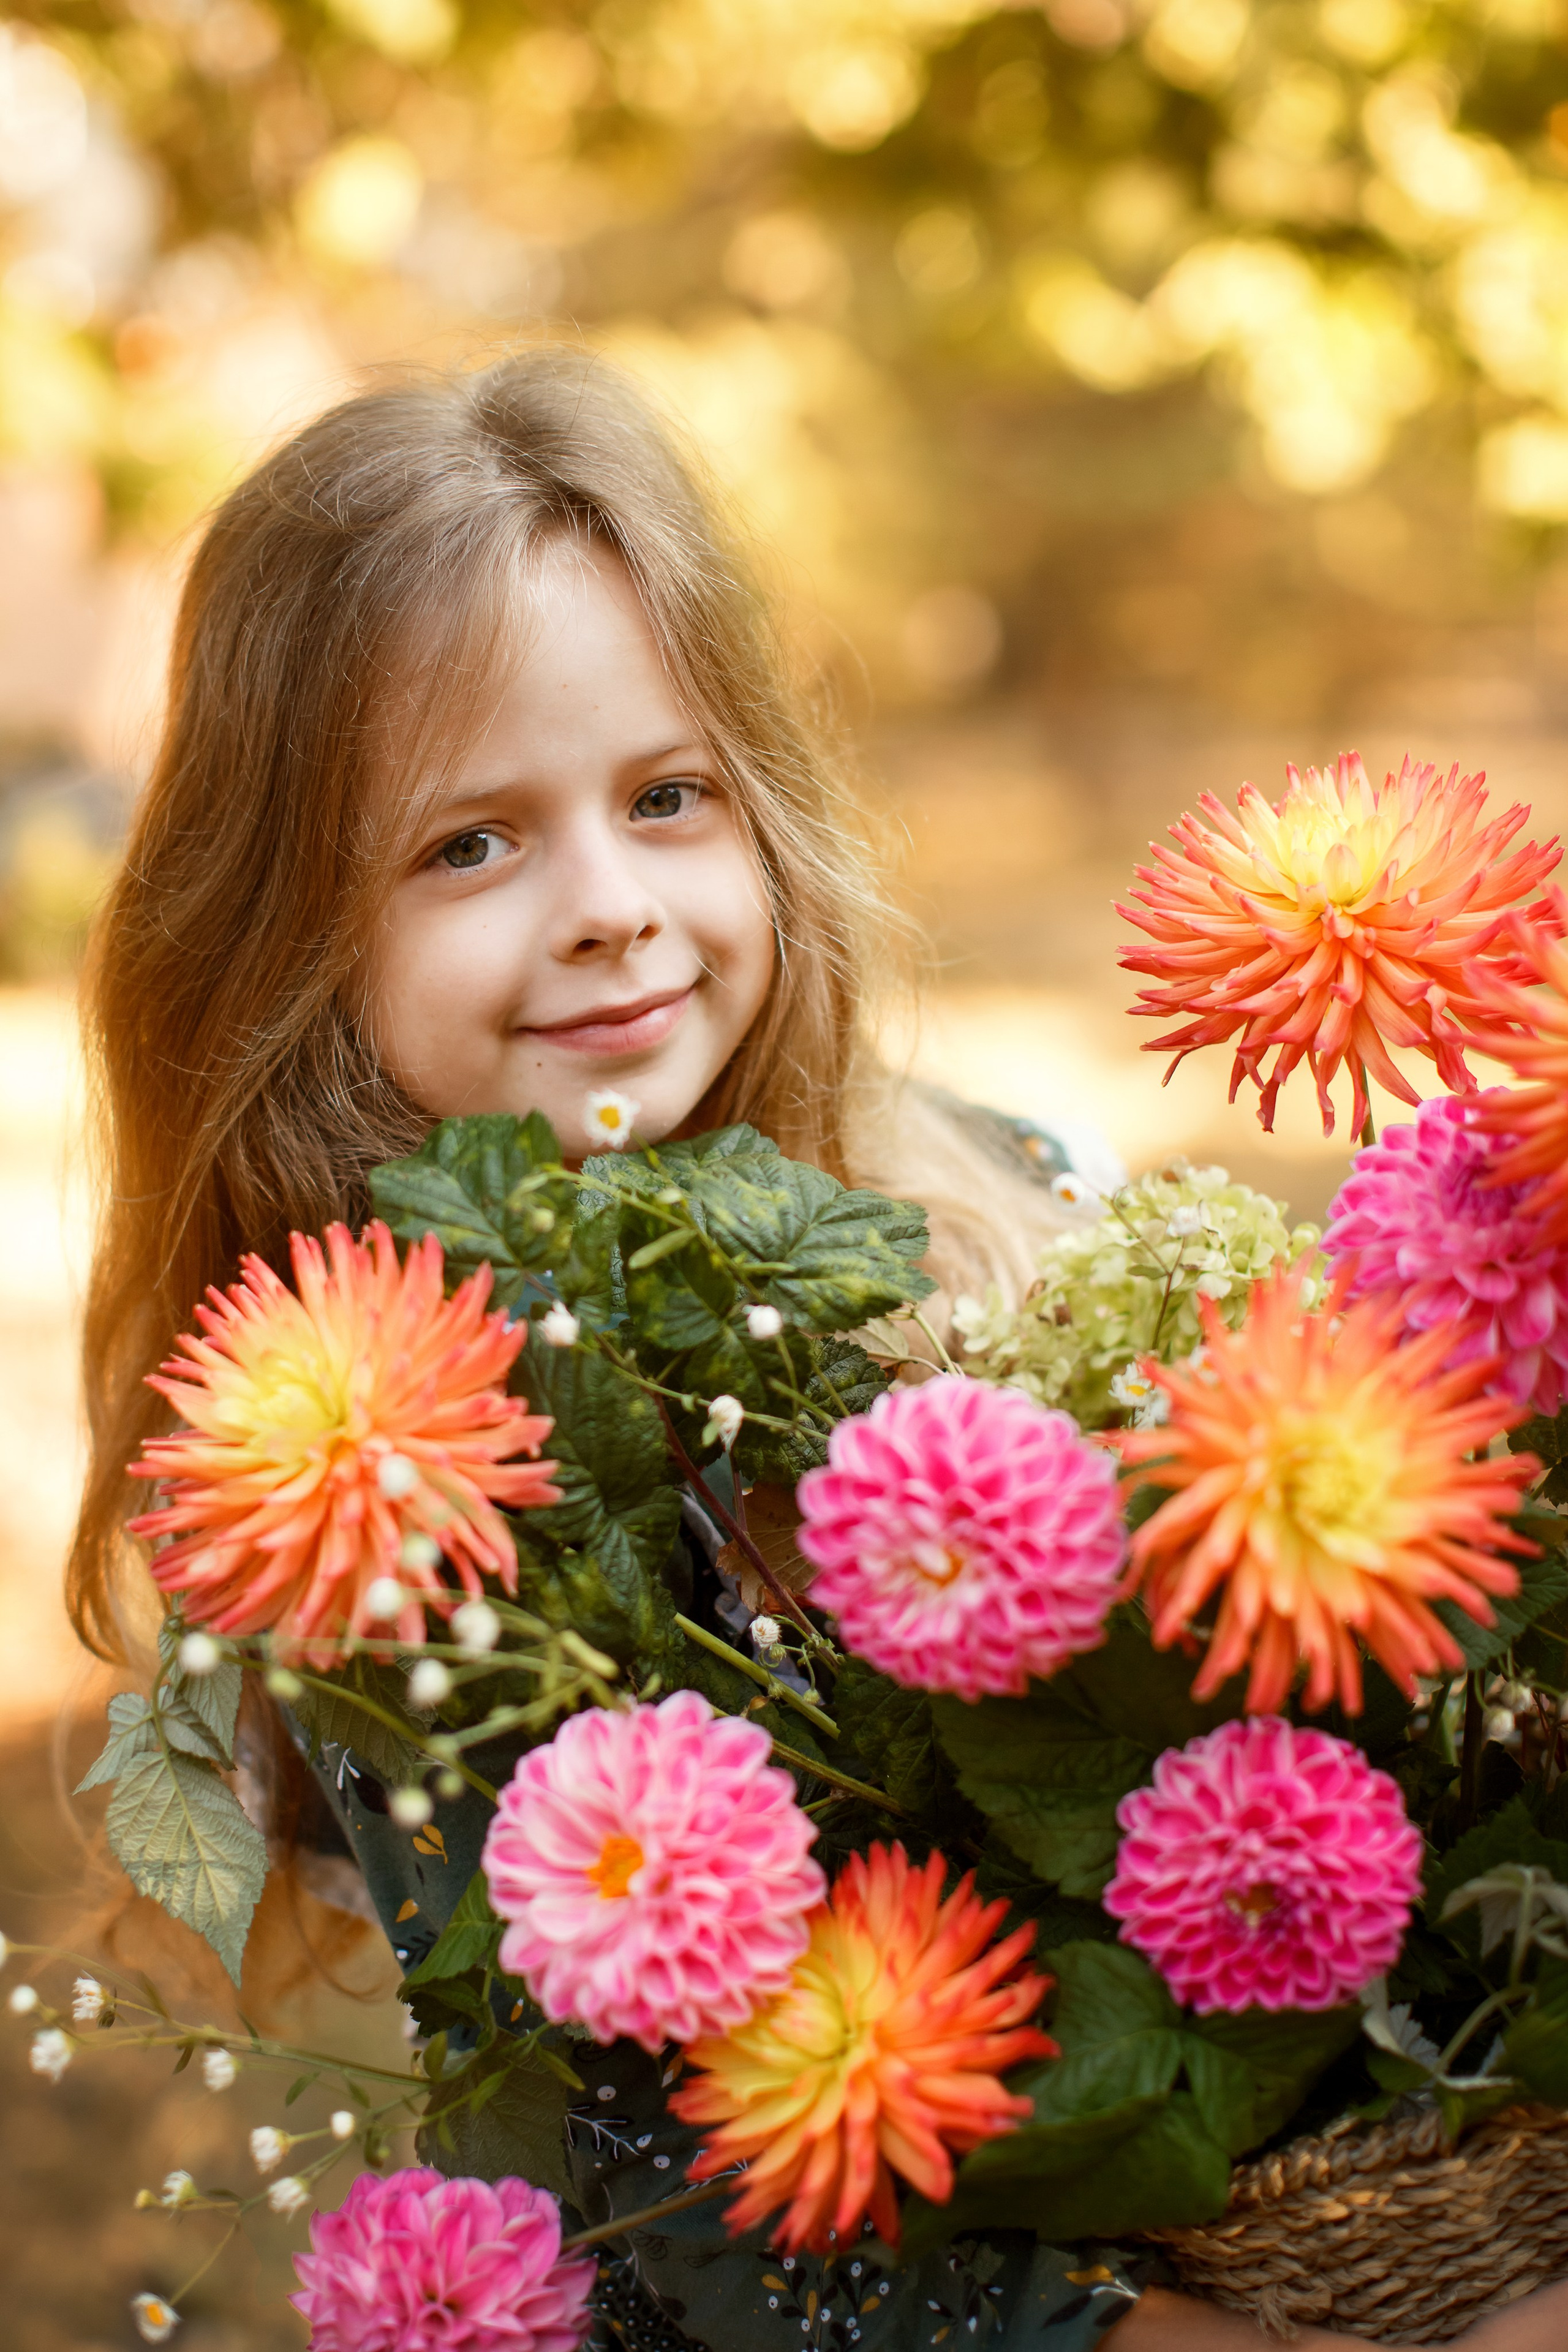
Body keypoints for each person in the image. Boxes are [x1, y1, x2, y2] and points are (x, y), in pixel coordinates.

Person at [65, 349, 1565, 2351]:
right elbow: (702, 2203)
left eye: (666, 797)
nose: (614, 908)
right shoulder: (396, 1512)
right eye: (469, 846)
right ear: (288, 942)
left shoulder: (1008, 1183)